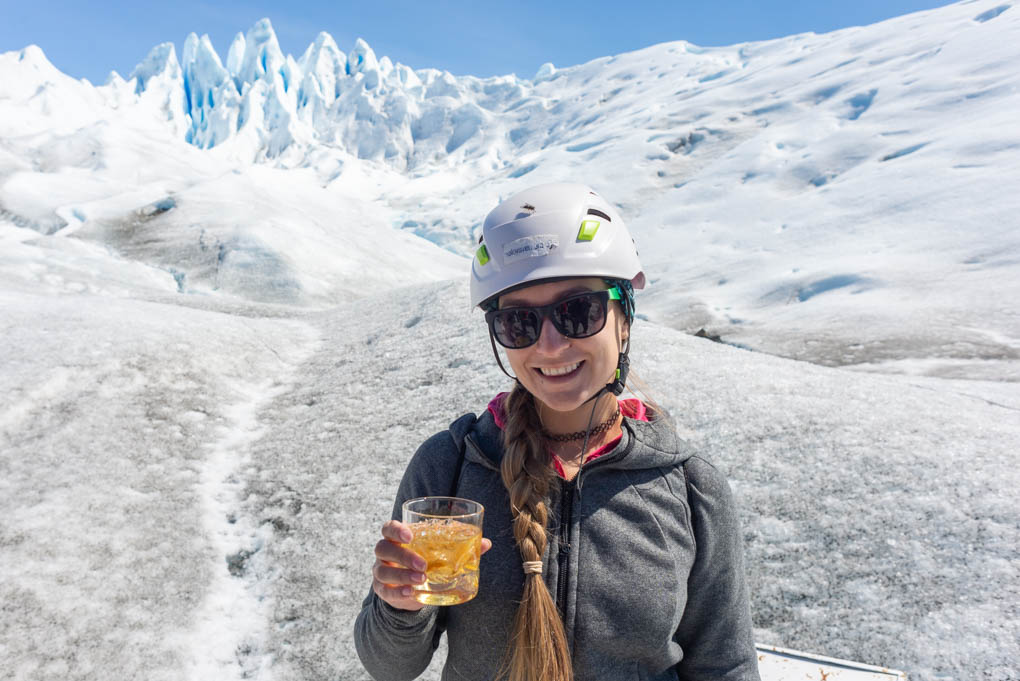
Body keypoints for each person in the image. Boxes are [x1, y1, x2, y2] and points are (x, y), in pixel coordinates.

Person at [354, 183, 760, 681]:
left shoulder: (691, 488)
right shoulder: (450, 465)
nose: (549, 345)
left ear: (624, 319)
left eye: (578, 311)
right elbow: (388, 666)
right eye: (519, 322)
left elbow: (726, 667)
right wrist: (398, 604)